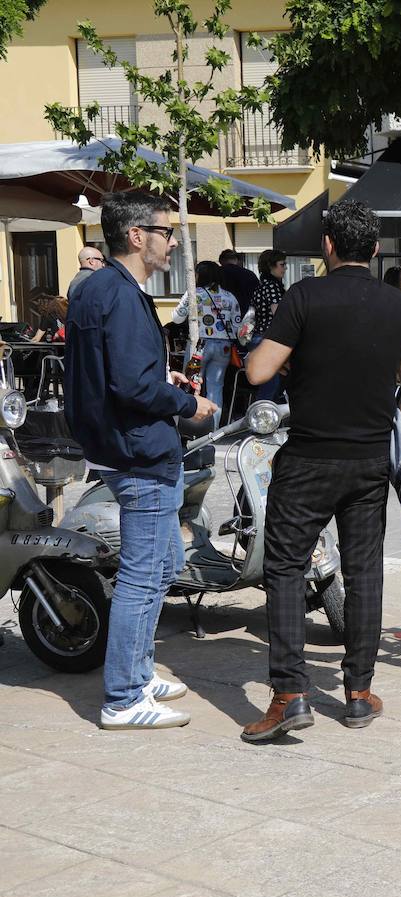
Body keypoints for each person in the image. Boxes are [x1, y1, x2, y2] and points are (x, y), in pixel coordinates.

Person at [242, 199, 401, 742]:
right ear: (373, 250)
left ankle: (290, 694)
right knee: (364, 573)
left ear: (326, 246)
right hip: (369, 460)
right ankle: (358, 694)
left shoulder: (303, 297)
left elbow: (257, 371)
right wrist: (390, 442)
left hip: (307, 459)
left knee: (285, 570)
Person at [63, 189, 218, 730]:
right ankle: (125, 697)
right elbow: (129, 385)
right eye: (166, 231)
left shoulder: (94, 287)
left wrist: (161, 379)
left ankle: (138, 670)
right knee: (144, 575)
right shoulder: (123, 294)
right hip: (138, 452)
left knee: (156, 569)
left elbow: (113, 372)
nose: (173, 241)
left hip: (117, 445)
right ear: (136, 236)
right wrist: (187, 402)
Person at [169, 260, 241, 424]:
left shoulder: (194, 293)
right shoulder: (229, 296)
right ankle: (212, 430)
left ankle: (189, 427)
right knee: (216, 387)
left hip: (199, 344)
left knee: (191, 384)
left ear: (199, 275)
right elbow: (237, 326)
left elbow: (177, 318)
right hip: (223, 347)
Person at [248, 248, 288, 402]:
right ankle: (258, 423)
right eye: (282, 264)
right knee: (270, 389)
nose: (285, 268)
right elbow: (279, 315)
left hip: (259, 338)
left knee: (271, 387)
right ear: (271, 266)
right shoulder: (272, 286)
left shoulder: (261, 285)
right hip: (268, 339)